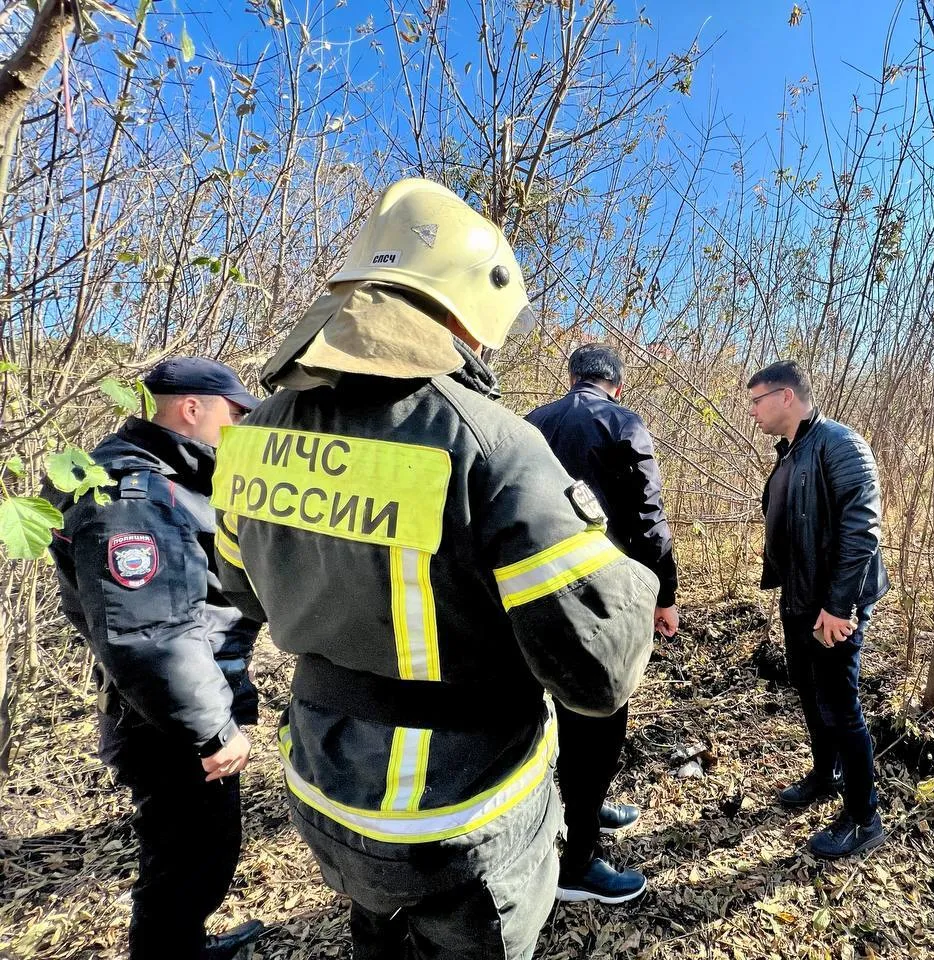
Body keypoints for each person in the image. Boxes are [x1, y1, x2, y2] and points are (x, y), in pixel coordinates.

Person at [209, 178, 658, 959]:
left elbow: (240, 592)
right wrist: (630, 576)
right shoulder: (488, 444)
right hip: (460, 818)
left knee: (376, 936)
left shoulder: (253, 436)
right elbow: (598, 673)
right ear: (465, 313)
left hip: (326, 789)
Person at [45, 357, 265, 960]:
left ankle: (181, 946)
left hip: (170, 706)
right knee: (188, 862)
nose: (240, 424)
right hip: (168, 719)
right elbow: (150, 634)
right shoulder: (132, 493)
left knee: (190, 857)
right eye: (234, 411)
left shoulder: (159, 477)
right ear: (192, 408)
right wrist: (212, 729)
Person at [527, 343, 679, 904]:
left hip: (532, 598)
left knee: (557, 717)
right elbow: (647, 518)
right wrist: (666, 593)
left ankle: (581, 809)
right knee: (601, 722)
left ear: (572, 379)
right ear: (616, 383)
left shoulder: (530, 424)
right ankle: (578, 864)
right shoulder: (622, 422)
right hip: (603, 599)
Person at [747, 360, 891, 860]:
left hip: (833, 606)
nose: (753, 412)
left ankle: (863, 818)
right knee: (810, 696)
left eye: (757, 400)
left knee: (839, 707)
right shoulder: (791, 454)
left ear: (786, 396)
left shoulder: (840, 444)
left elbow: (862, 528)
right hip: (800, 602)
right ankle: (824, 775)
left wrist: (839, 604)